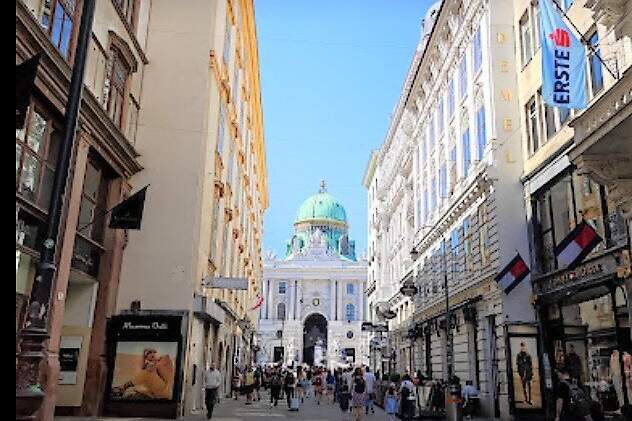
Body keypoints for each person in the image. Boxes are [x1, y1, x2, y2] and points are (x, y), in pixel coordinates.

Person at [111, 348, 176, 400]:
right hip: (160, 389)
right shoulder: (155, 364)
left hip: (165, 391)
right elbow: (144, 367)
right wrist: (145, 355)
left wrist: (150, 358)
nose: (152, 360)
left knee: (147, 374)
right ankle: (123, 388)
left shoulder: (165, 358)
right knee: (146, 375)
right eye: (149, 358)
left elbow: (150, 369)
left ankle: (123, 387)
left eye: (153, 356)